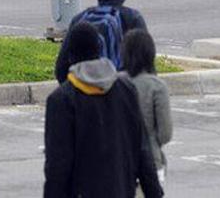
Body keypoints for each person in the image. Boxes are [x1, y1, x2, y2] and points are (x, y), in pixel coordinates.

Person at [44, 22, 163, 198]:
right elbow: (143, 153)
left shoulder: (62, 100)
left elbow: (57, 168)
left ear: (70, 55)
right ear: (100, 49)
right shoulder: (126, 90)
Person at [55, 0, 148, 84]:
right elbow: (145, 68)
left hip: (83, 92)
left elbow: (61, 69)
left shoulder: (80, 20)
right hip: (119, 94)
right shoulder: (132, 19)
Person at [123, 29, 173, 188]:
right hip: (151, 161)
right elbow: (165, 132)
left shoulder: (117, 83)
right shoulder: (157, 87)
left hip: (119, 164)